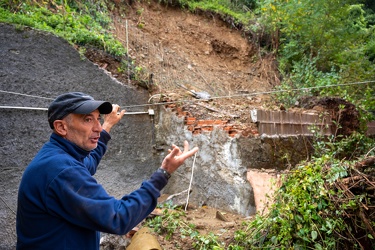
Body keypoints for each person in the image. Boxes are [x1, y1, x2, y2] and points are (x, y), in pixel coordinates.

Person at [16, 92, 199, 250]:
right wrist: (163, 174)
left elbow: (89, 163)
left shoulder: (59, 155)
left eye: (98, 119)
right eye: (88, 119)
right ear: (61, 127)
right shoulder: (62, 170)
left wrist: (107, 126)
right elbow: (118, 217)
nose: (97, 127)